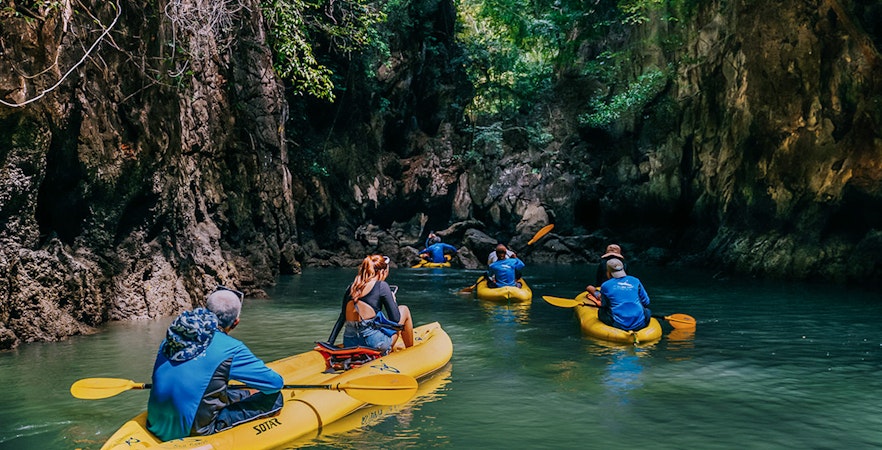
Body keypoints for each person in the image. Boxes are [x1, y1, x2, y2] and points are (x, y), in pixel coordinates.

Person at [146, 286, 284, 442]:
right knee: (276, 399)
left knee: (232, 391)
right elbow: (275, 384)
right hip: (195, 431)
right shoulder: (232, 348)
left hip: (155, 422)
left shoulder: (172, 337)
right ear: (236, 323)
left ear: (206, 309)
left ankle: (242, 394)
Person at [328, 255, 414, 353]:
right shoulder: (382, 286)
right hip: (373, 345)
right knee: (404, 309)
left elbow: (342, 318)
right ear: (382, 272)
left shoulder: (351, 287)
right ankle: (410, 352)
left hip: (349, 343)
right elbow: (395, 320)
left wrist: (330, 343)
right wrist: (393, 300)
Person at [596, 258, 651, 331]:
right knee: (647, 311)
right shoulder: (635, 281)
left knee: (601, 311)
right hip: (640, 324)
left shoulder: (605, 285)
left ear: (608, 273)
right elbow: (646, 302)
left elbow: (604, 305)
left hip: (618, 324)